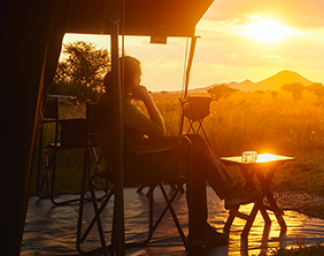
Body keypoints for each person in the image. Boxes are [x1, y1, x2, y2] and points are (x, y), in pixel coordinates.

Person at [98, 56, 259, 248]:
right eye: (139, 76)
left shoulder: (105, 101)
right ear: (133, 80)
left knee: (195, 158)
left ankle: (207, 222)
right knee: (194, 146)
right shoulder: (123, 106)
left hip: (123, 162)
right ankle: (225, 198)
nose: (141, 80)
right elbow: (159, 132)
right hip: (135, 166)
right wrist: (148, 99)